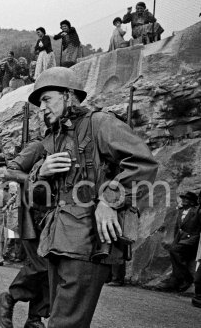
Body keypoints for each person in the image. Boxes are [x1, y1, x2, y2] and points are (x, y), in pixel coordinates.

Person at [27, 67, 158, 327]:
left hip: (88, 244)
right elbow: (35, 194)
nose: (41, 108)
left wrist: (110, 200)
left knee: (65, 324)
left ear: (68, 95)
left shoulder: (100, 123)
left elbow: (143, 164)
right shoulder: (52, 139)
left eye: (46, 99)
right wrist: (41, 172)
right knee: (60, 318)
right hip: (57, 240)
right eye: (39, 103)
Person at [0, 139, 48, 328]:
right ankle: (9, 298)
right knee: (42, 265)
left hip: (56, 217)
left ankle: (35, 318)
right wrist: (36, 177)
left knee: (51, 269)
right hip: (33, 216)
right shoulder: (39, 146)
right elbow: (10, 170)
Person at [156, 191, 201, 292]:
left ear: (193, 202)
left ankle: (186, 278)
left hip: (192, 240)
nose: (184, 200)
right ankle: (175, 281)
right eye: (183, 198)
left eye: (187, 199)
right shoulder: (180, 211)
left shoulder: (196, 211)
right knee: (174, 250)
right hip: (181, 240)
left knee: (174, 251)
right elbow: (178, 228)